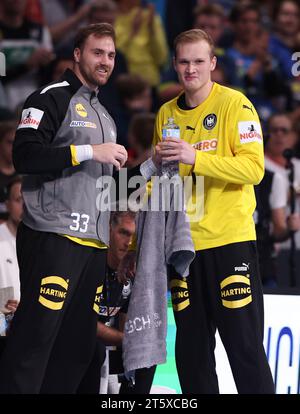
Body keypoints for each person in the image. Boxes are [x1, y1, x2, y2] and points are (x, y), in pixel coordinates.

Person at [0, 23, 128, 394]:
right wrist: (89, 151)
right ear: (77, 54)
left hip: (92, 244)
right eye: (97, 52)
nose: (105, 61)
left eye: (111, 55)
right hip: (54, 236)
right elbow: (24, 155)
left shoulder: (104, 114)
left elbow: (102, 181)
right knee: (34, 340)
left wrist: (150, 167)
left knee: (76, 349)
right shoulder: (50, 98)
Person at [153, 29, 275, 394]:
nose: (191, 69)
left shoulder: (235, 105)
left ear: (213, 64)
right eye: (184, 61)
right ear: (175, 64)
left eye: (199, 61)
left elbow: (254, 170)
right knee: (191, 355)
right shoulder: (165, 113)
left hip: (229, 243)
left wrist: (196, 157)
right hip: (183, 249)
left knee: (245, 349)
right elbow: (163, 183)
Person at [77, 210, 156, 394]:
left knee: (148, 352)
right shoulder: (90, 264)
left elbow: (126, 326)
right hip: (78, 344)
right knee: (94, 348)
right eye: (124, 233)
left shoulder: (131, 273)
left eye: (133, 236)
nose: (129, 242)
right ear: (109, 231)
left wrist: (135, 341)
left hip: (107, 347)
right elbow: (85, 323)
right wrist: (127, 339)